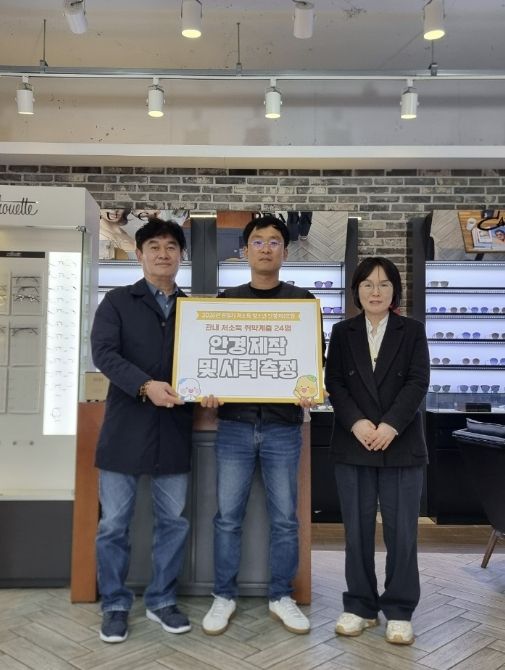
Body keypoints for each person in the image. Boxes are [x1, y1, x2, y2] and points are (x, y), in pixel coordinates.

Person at [201, 214, 322, 636]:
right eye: (258, 241)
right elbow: (210, 359)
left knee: (285, 519)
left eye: (274, 241)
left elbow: (315, 363)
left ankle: (280, 595)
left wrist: (310, 387)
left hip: (283, 427)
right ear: (245, 250)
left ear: (285, 252)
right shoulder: (226, 302)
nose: (266, 248)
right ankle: (223, 595)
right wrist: (207, 388)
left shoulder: (302, 302)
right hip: (233, 425)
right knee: (227, 518)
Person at [91, 218, 194, 643]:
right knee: (114, 524)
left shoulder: (194, 310)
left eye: (171, 246)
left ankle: (161, 600)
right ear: (139, 254)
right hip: (125, 427)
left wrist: (210, 389)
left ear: (181, 255)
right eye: (154, 246)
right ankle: (115, 605)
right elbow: (103, 354)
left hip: (174, 429)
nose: (163, 253)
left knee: (173, 522)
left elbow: (204, 364)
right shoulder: (117, 302)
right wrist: (144, 385)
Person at [325, 257, 429, 646]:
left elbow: (418, 381)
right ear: (356, 290)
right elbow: (334, 382)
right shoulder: (342, 332)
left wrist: (389, 426)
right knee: (357, 531)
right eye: (368, 284)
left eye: (384, 284)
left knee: (402, 533)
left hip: (400, 443)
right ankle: (360, 606)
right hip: (354, 443)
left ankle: (399, 610)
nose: (375, 291)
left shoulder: (412, 331)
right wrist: (357, 423)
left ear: (394, 291)